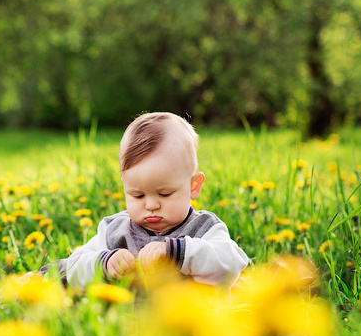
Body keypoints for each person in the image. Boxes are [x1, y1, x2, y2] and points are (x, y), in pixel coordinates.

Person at [41, 112, 249, 288]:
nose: (151, 206)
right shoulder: (115, 231)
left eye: (165, 194)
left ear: (193, 186)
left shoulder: (205, 229)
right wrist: (105, 262)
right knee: (58, 271)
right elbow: (75, 267)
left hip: (188, 326)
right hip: (124, 325)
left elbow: (230, 264)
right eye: (138, 195)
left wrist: (178, 253)